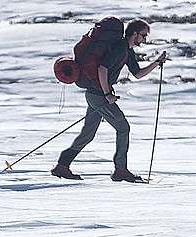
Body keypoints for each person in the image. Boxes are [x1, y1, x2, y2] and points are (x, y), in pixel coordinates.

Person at [52, 19, 167, 182]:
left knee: (88, 133)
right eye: (143, 35)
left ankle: (62, 166)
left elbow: (137, 74)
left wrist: (156, 63)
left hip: (95, 94)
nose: (144, 40)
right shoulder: (120, 48)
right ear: (134, 34)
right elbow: (102, 68)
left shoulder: (128, 52)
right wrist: (107, 94)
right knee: (123, 128)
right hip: (99, 96)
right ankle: (121, 170)